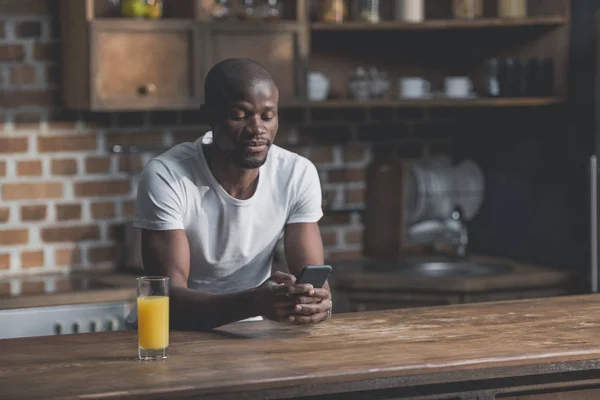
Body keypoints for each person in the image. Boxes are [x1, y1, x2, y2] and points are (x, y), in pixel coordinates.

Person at [133, 58, 332, 330]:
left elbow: (312, 277)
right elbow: (166, 300)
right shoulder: (167, 174)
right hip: (174, 336)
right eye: (240, 116)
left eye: (268, 116)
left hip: (249, 333)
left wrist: (315, 301)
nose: (257, 129)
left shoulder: (296, 173)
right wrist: (253, 303)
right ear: (209, 115)